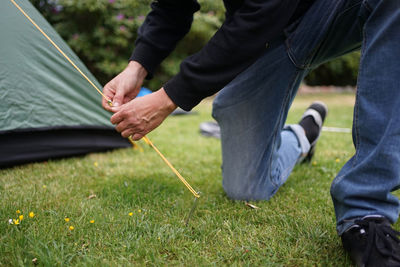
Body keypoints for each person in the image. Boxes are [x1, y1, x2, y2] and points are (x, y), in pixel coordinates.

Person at [102, 0, 400, 266]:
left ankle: (366, 214)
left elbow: (266, 9)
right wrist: (137, 67)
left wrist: (169, 97)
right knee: (246, 188)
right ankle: (302, 136)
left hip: (330, 11)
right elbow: (171, 7)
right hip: (266, 43)